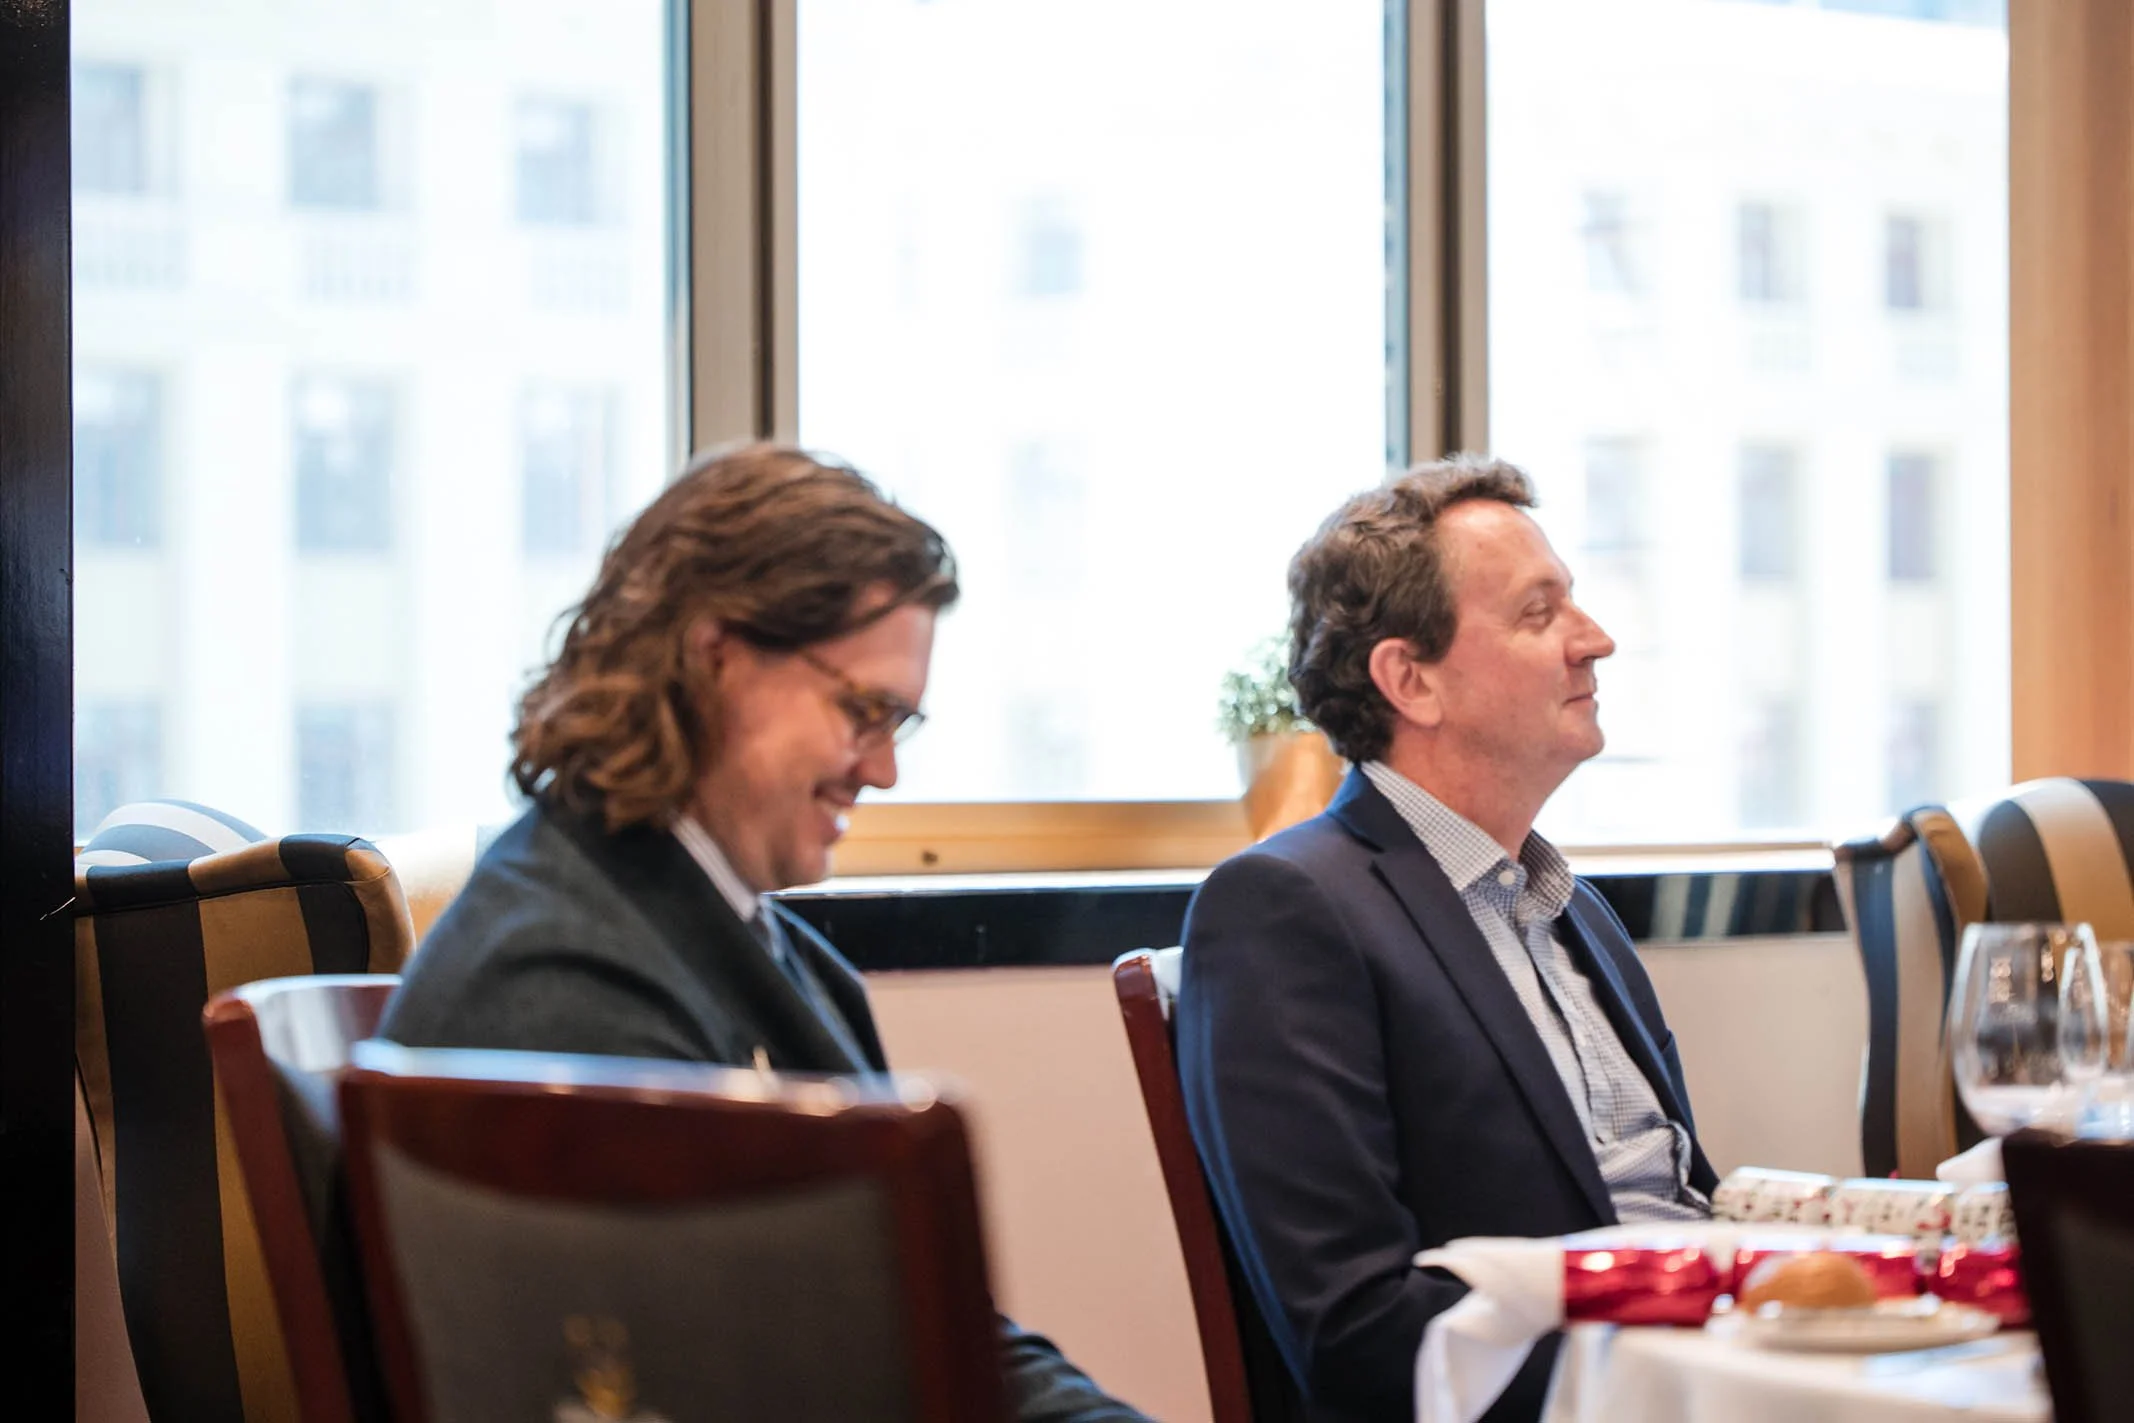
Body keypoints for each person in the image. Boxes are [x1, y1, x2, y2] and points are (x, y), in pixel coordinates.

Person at [380, 443, 1152, 1423]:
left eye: (898, 724)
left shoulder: (730, 935)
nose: (882, 772)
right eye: (862, 711)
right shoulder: (562, 983)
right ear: (716, 657)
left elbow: (933, 1325)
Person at [1175, 455, 1717, 1423]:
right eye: (1537, 612)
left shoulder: (1569, 907)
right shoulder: (1284, 908)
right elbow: (1356, 1325)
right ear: (1409, 679)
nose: (1594, 640)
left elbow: (1682, 1206)